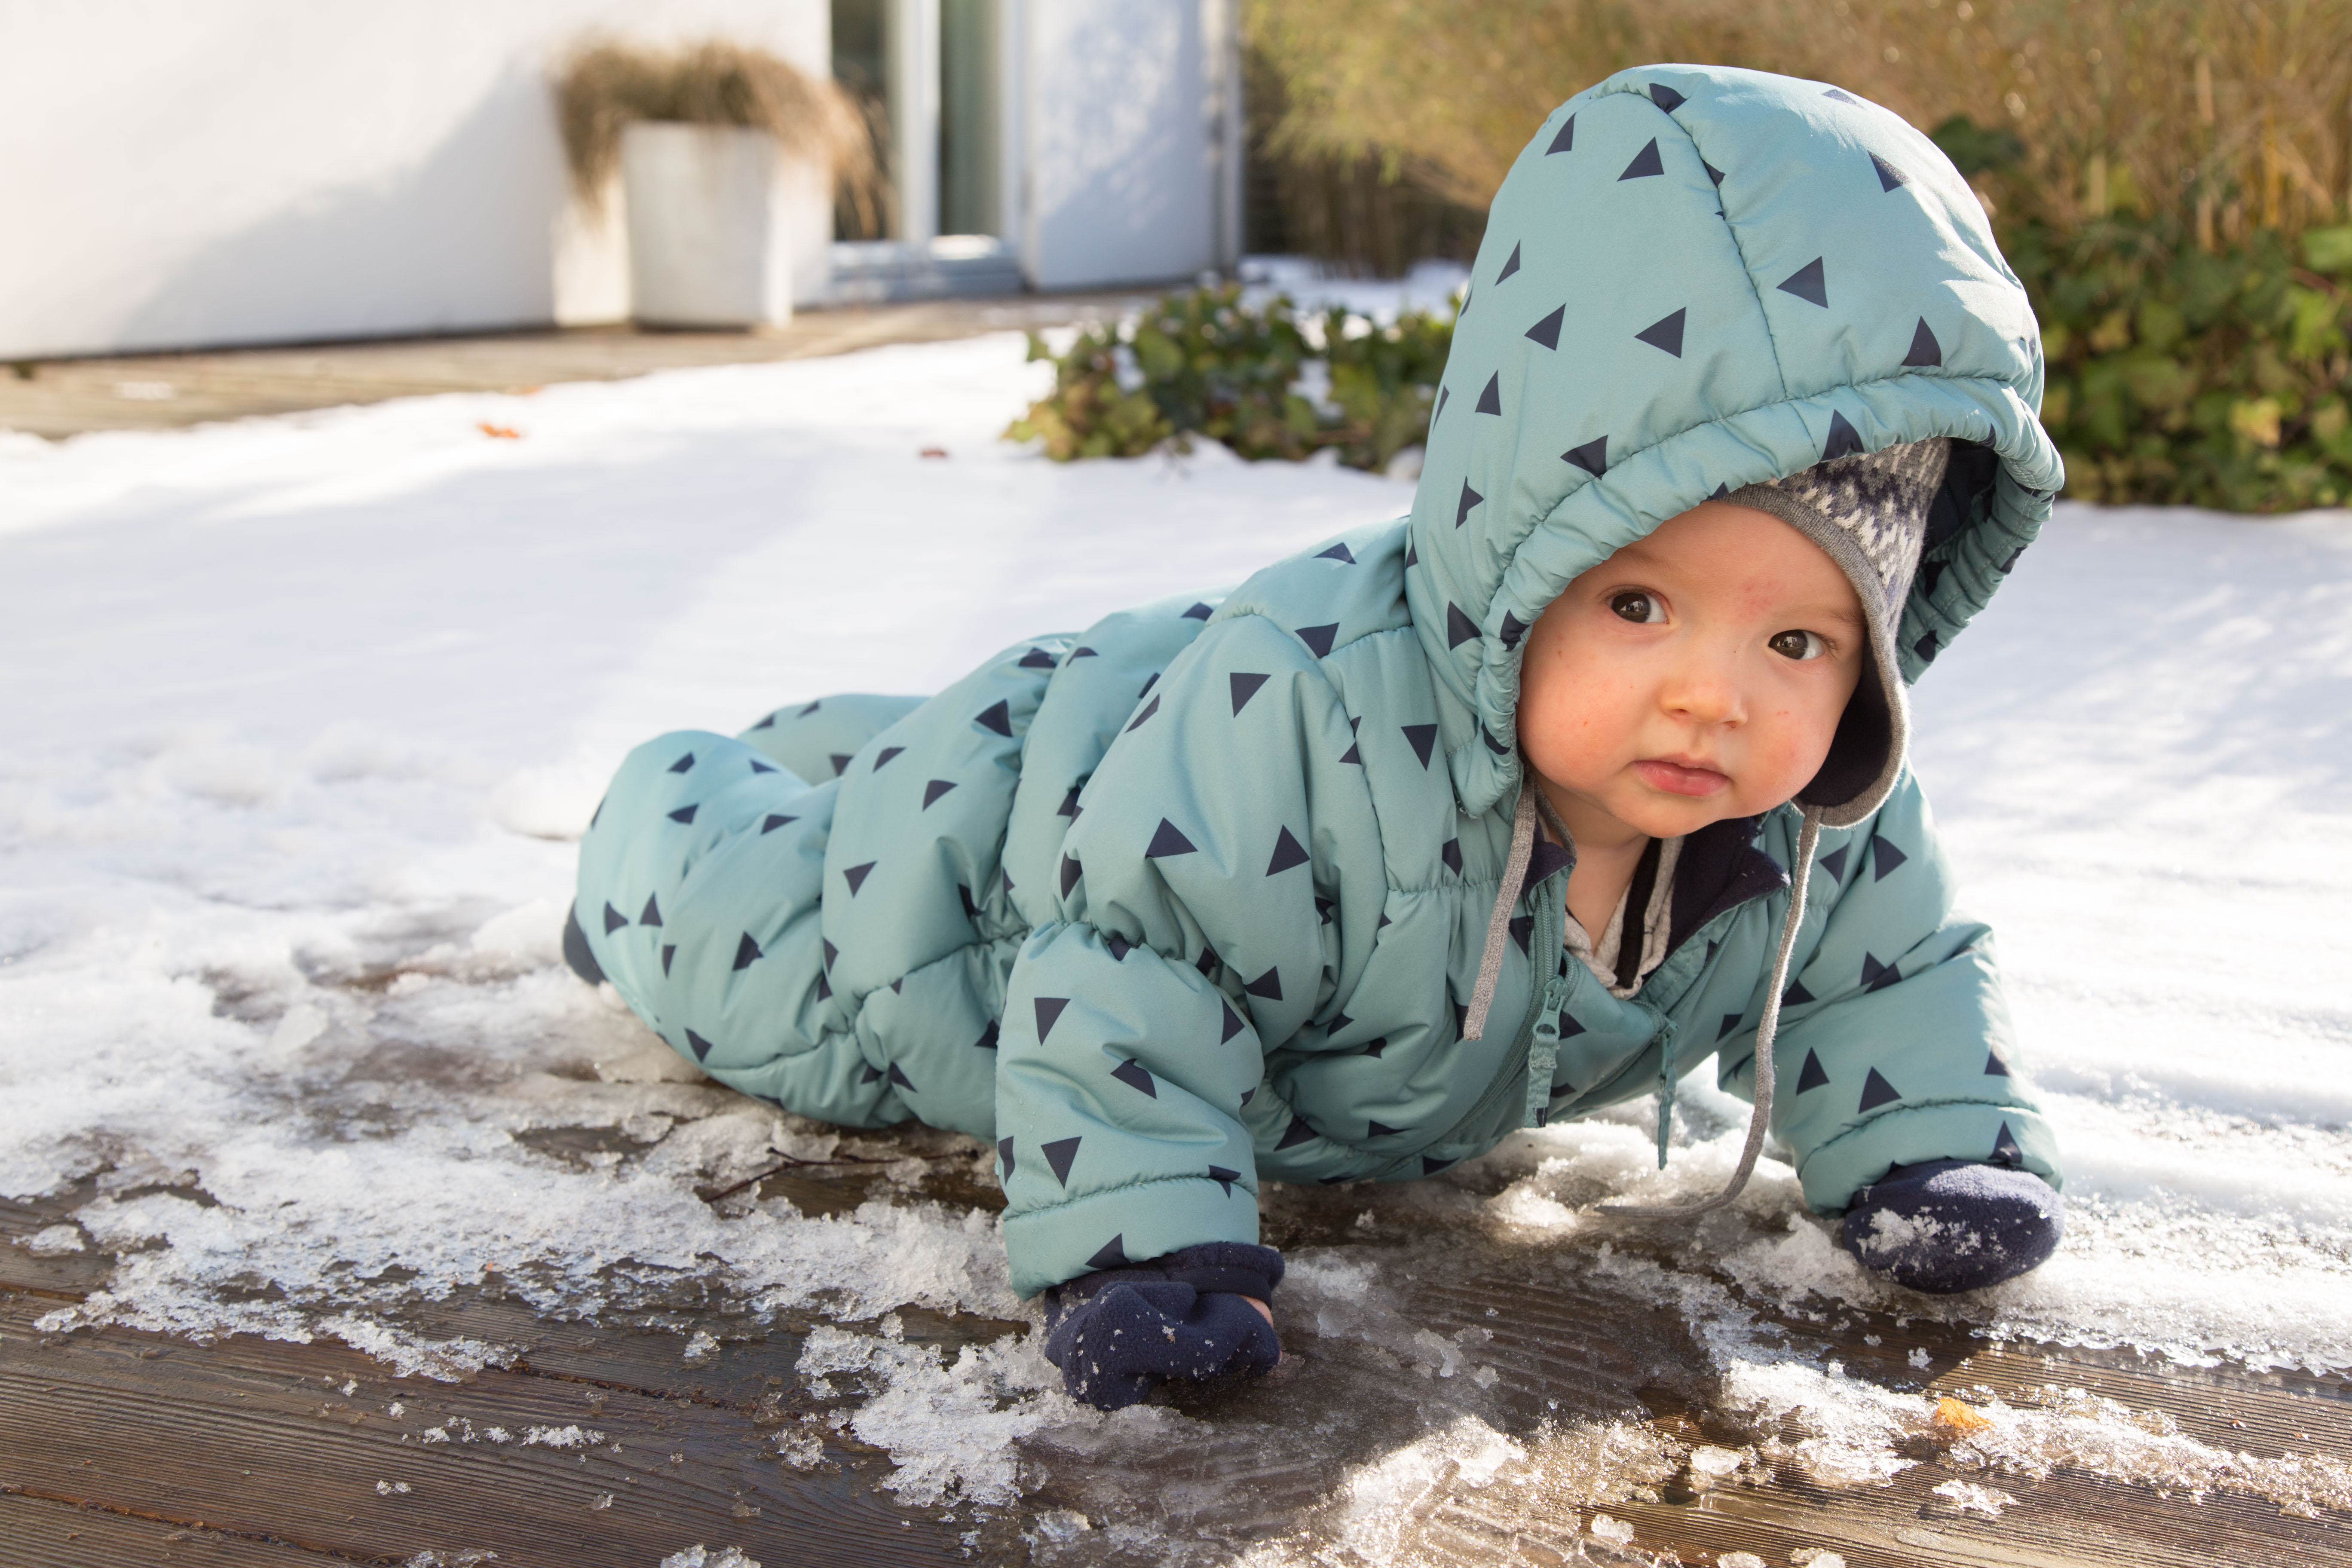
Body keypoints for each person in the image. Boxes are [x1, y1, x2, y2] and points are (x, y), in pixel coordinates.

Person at [565, 64, 2066, 1412]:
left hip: (1173, 809)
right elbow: (1133, 975)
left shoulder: (1827, 800)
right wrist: (1140, 1250)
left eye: (1796, 641)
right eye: (1636, 606)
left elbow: (1893, 971)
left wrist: (1931, 1151)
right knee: (763, 940)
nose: (1713, 698)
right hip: (994, 890)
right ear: (1520, 572)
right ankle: (662, 814)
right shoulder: (1305, 729)